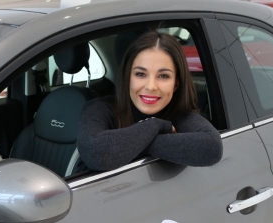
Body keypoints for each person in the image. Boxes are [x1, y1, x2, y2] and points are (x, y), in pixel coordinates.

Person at [77, 31, 222, 172]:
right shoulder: (99, 108)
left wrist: (133, 144)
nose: (151, 86)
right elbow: (95, 152)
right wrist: (156, 126)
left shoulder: (182, 117)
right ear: (128, 78)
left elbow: (212, 147)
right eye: (140, 74)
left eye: (163, 76)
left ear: (176, 84)